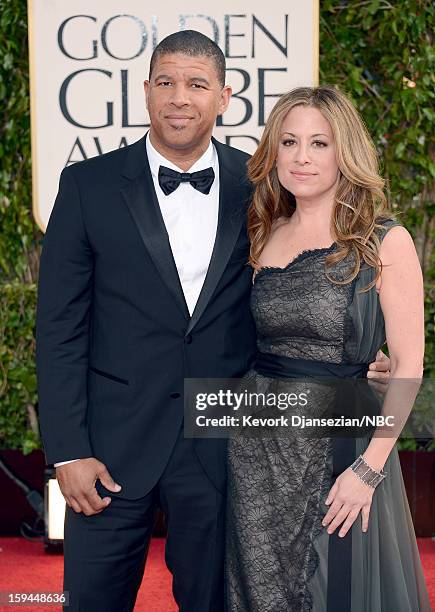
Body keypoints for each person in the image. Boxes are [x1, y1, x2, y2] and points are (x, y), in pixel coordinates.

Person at [36, 31, 390, 611]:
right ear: (146, 91)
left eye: (197, 84)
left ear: (225, 97)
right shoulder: (88, 185)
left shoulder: (265, 185)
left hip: (227, 444)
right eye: (166, 83)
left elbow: (314, 273)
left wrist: (363, 361)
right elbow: (58, 330)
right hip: (109, 447)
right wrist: (69, 451)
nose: (180, 97)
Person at [225, 86, 431, 611]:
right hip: (255, 449)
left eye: (319, 143)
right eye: (289, 142)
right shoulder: (261, 233)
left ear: (346, 152)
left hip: (341, 450)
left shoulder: (384, 240)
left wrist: (370, 468)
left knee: (328, 590)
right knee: (255, 589)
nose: (301, 157)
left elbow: (408, 364)